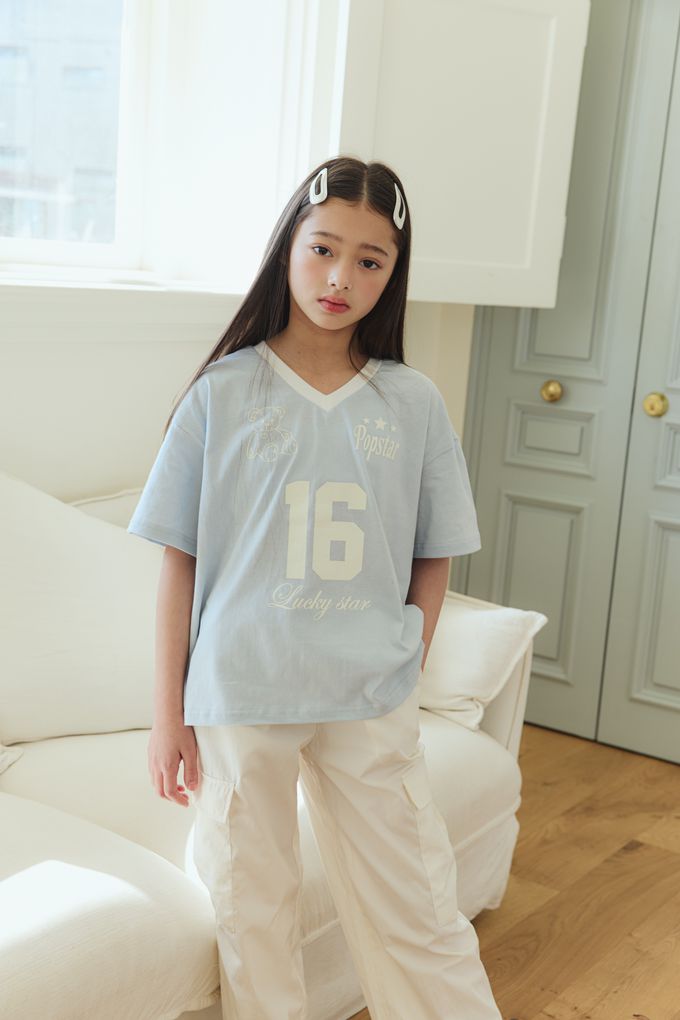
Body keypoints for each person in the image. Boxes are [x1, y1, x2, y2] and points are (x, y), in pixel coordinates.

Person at [127, 156, 503, 1020]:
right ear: (287, 249)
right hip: (241, 690)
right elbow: (179, 562)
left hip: (367, 688)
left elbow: (436, 551)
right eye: (324, 249)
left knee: (417, 904)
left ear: (393, 274)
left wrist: (410, 653)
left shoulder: (413, 403)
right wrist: (167, 713)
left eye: (370, 261)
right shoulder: (222, 393)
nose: (340, 279)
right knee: (253, 909)